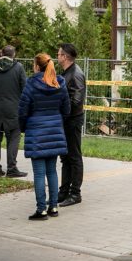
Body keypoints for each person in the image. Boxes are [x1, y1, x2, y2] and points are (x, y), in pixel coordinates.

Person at [18, 53, 70, 221]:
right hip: (54, 131)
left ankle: (41, 210)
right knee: (52, 171)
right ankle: (53, 206)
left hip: (36, 133)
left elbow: (23, 111)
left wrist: (23, 127)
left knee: (39, 174)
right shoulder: (59, 84)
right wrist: (57, 121)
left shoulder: (31, 85)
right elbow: (66, 110)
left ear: (37, 66)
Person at [0, 45, 28, 178]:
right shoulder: (18, 68)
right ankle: (12, 168)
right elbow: (24, 88)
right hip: (13, 109)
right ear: (13, 55)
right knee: (14, 136)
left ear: (2, 53)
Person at [56, 43, 86, 207]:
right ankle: (63, 191)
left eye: (59, 54)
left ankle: (75, 193)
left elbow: (76, 100)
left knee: (74, 156)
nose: (57, 56)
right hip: (66, 120)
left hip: (72, 120)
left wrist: (63, 113)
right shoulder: (67, 73)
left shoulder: (75, 74)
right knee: (65, 157)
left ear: (65, 56)